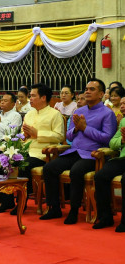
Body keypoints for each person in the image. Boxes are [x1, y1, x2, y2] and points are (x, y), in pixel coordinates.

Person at [40, 78, 117, 224]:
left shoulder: (107, 114)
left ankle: (73, 211)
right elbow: (68, 135)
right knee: (49, 168)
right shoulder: (79, 111)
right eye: (86, 89)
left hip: (92, 155)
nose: (87, 91)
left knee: (76, 171)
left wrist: (85, 128)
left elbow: (107, 139)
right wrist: (76, 128)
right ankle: (54, 208)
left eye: (92, 89)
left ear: (101, 94)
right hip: (74, 151)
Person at [0, 84, 65, 214]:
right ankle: (7, 201)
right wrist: (24, 136)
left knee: (23, 166)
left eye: (33, 96)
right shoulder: (29, 114)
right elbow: (22, 135)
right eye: (30, 96)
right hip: (25, 150)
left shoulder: (55, 114)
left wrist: (37, 133)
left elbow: (59, 136)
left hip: (42, 153)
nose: (30, 99)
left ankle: (22, 203)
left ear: (43, 97)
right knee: (1, 163)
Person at [93, 96, 125, 232]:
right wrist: (122, 141)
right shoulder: (124, 121)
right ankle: (105, 217)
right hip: (123, 158)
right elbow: (112, 143)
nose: (123, 106)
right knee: (100, 176)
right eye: (122, 103)